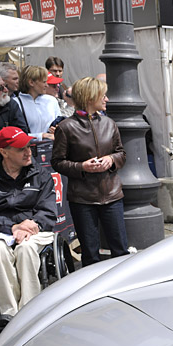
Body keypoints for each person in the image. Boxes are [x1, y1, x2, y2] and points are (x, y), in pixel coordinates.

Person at [0, 126, 57, 326]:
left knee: (25, 249)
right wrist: (12, 227)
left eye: (28, 147)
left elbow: (48, 212)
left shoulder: (41, 175)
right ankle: (9, 313)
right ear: (4, 152)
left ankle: (29, 309)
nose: (28, 152)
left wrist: (30, 225)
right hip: (0, 230)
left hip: (34, 229)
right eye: (20, 149)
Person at [52, 77, 128, 266]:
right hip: (83, 199)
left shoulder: (109, 123)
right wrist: (82, 167)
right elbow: (57, 162)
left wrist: (111, 159)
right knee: (90, 254)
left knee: (120, 251)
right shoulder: (66, 127)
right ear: (89, 97)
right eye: (103, 95)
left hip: (112, 195)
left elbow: (121, 154)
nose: (107, 99)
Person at [16, 66, 60, 140]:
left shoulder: (52, 101)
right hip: (27, 149)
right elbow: (14, 134)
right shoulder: (15, 103)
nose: (47, 85)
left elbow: (59, 122)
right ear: (31, 82)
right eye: (44, 82)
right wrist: (41, 136)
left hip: (51, 148)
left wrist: (57, 129)